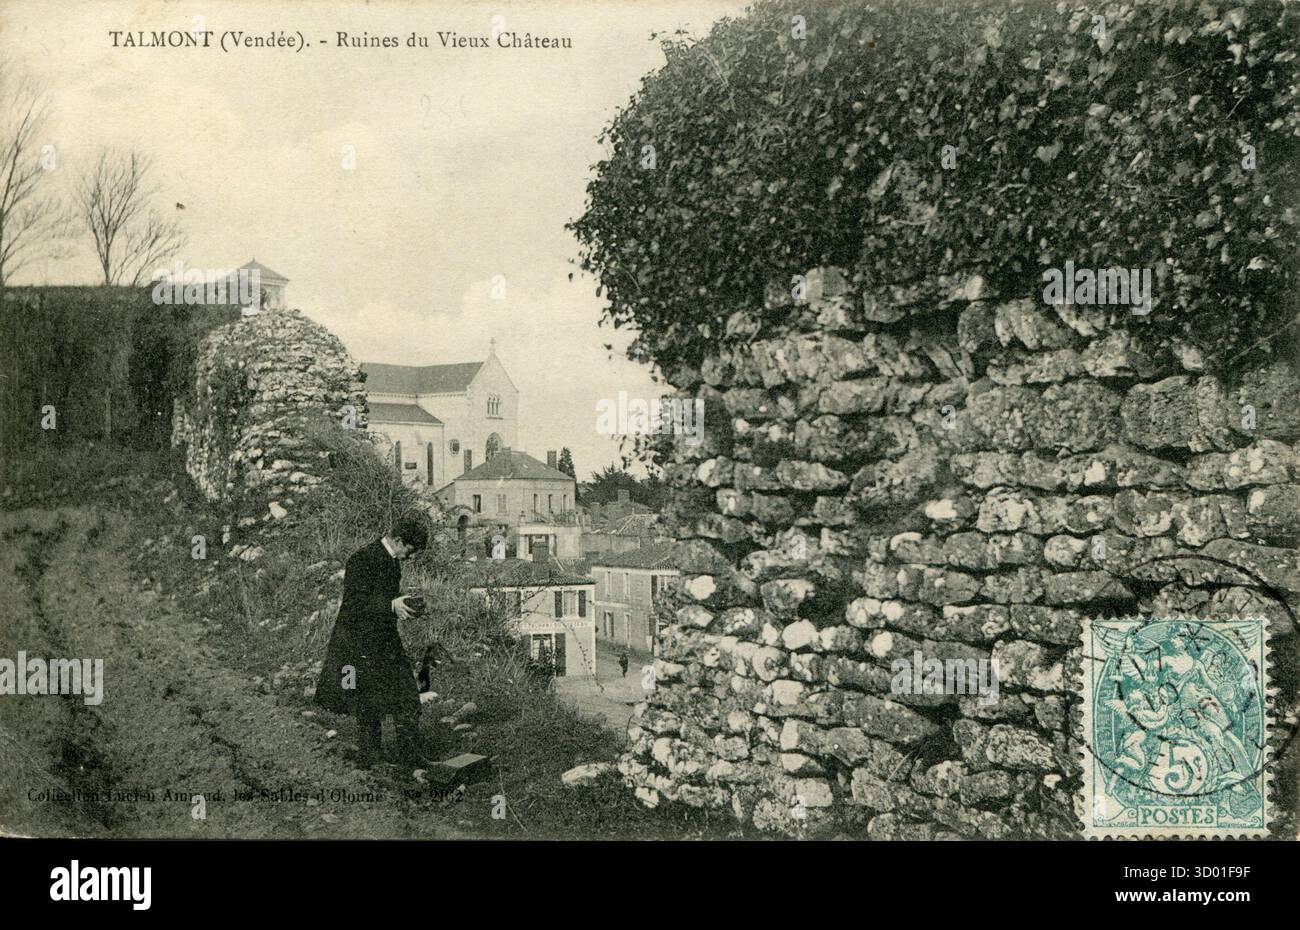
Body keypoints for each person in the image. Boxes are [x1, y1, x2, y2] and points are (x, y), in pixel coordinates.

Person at [315, 515, 429, 773]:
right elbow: (354, 606)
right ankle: (372, 761)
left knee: (408, 696)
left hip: (384, 640)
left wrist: (403, 603)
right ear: (398, 540)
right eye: (409, 551)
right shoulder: (362, 559)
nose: (409, 557)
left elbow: (382, 598)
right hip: (358, 642)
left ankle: (410, 759)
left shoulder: (391, 561)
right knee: (368, 702)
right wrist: (391, 605)